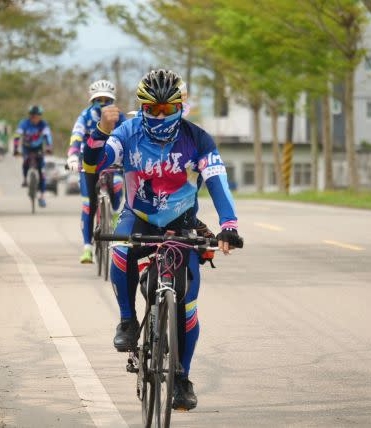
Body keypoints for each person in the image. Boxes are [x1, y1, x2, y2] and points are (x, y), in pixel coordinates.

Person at [83, 69, 243, 410]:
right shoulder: (126, 132)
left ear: (180, 107)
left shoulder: (198, 139)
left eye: (166, 109)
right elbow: (94, 165)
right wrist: (100, 131)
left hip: (183, 224)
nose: (158, 116)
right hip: (138, 217)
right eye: (151, 109)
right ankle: (128, 320)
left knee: (187, 307)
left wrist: (228, 224)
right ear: (140, 107)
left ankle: (181, 378)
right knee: (122, 250)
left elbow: (216, 182)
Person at [67, 80, 127, 264]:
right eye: (98, 99)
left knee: (117, 185)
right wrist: (72, 156)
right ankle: (87, 248)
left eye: (106, 100)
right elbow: (76, 137)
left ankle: (115, 214)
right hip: (89, 165)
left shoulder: (120, 116)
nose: (102, 103)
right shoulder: (84, 117)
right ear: (91, 101)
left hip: (111, 162)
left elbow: (128, 136)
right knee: (88, 205)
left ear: (113, 101)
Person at [14, 105, 53, 207]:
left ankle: (42, 196)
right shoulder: (24, 124)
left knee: (41, 170)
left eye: (38, 116)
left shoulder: (43, 124)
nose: (36, 118)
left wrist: (49, 147)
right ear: (30, 116)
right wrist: (15, 148)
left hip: (38, 148)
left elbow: (47, 136)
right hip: (26, 147)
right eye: (33, 116)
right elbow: (17, 135)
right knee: (25, 163)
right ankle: (25, 179)